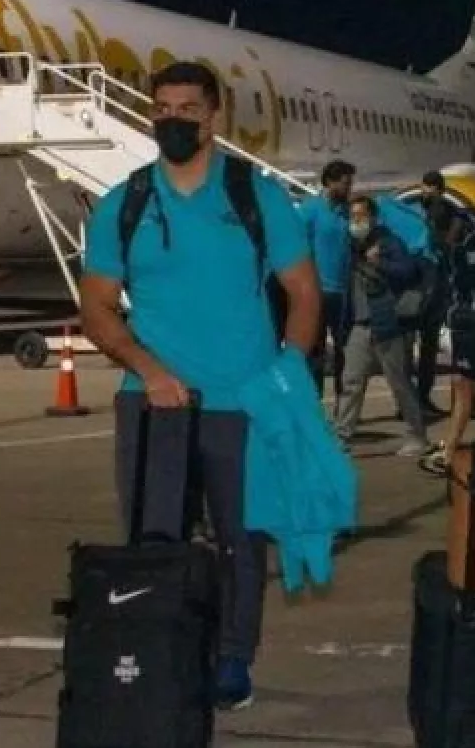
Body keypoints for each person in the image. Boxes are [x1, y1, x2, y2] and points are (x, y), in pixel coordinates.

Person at [77, 61, 321, 712]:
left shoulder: (256, 196)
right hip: (154, 404)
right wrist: (149, 369)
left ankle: (233, 659)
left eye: (188, 108)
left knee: (243, 541)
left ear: (213, 116)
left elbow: (303, 292)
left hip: (242, 403)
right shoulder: (125, 202)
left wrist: (287, 371)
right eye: (162, 108)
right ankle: (161, 652)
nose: (173, 120)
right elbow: (96, 306)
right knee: (154, 542)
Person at [331, 195, 432, 455]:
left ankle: (417, 435)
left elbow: (408, 271)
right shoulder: (350, 247)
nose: (356, 222)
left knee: (399, 382)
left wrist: (380, 263)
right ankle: (342, 435)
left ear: (373, 218)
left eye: (361, 216)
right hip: (360, 323)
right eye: (352, 217)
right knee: (351, 380)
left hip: (386, 322)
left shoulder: (388, 242)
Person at [419, 207, 475, 476]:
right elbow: (452, 283)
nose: (444, 239)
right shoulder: (451, 248)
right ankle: (452, 450)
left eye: (444, 233)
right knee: (463, 384)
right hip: (461, 322)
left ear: (455, 224)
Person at [298, 160, 357, 397]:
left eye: (350, 184)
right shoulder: (310, 210)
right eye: (345, 184)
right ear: (329, 182)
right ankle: (315, 400)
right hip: (317, 291)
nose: (349, 188)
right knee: (315, 350)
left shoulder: (349, 212)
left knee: (346, 350)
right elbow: (298, 249)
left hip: (343, 292)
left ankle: (344, 402)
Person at [413, 171, 460, 416]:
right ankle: (420, 397)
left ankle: (415, 399)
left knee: (422, 344)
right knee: (427, 345)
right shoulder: (442, 210)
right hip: (432, 283)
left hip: (425, 282)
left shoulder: (431, 210)